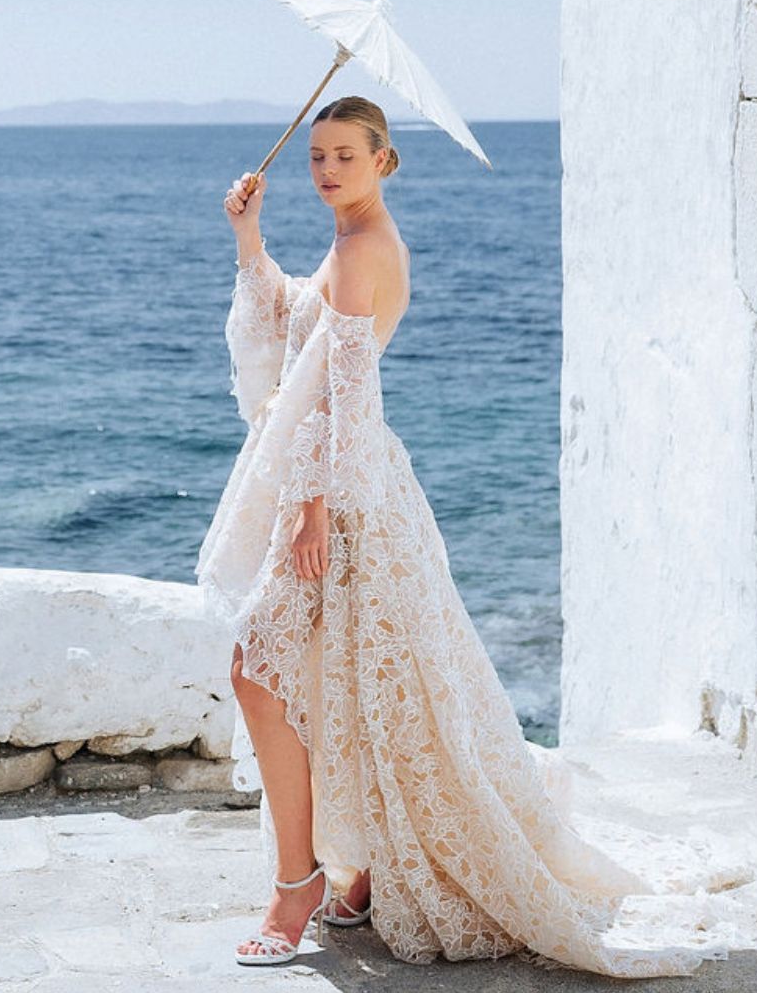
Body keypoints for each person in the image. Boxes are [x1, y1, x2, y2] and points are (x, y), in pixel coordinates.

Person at [196, 96, 712, 975]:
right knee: (331, 684)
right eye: (316, 156)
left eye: (345, 157)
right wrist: (251, 238)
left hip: (342, 497)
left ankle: (299, 888)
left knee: (260, 674)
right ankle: (349, 874)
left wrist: (314, 510)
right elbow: (297, 334)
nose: (325, 171)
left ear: (383, 161)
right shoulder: (348, 243)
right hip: (338, 483)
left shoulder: (366, 250)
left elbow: (348, 395)